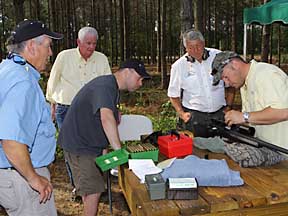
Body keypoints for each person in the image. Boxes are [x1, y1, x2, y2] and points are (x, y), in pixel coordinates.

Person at [57, 59, 150, 215]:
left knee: (94, 189)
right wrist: (119, 150)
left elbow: (102, 120)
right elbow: (106, 118)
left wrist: (104, 149)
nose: (140, 83)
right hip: (80, 146)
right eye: (140, 78)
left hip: (91, 144)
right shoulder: (105, 86)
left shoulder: (111, 88)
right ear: (127, 71)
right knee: (92, 191)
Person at [0, 19, 63, 215]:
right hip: (22, 179)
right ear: (32, 47)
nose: (51, 53)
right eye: (48, 46)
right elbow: (11, 140)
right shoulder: (23, 82)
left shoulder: (7, 69)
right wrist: (33, 178)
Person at [211, 51, 288, 150]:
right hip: (266, 148)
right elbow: (253, 118)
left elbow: (283, 112)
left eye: (226, 77)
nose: (227, 83)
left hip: (283, 153)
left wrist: (244, 116)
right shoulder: (245, 83)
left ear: (235, 64)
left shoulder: (265, 74)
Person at [167, 29, 235, 137]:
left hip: (220, 115)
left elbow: (231, 84)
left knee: (221, 149)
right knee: (196, 151)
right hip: (194, 118)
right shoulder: (179, 66)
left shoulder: (219, 57)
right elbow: (173, 95)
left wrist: (229, 106)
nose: (195, 50)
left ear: (204, 43)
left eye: (198, 46)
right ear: (185, 48)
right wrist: (182, 114)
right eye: (190, 48)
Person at [46, 26, 111, 129]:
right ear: (79, 42)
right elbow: (53, 80)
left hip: (92, 110)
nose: (91, 47)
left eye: (94, 43)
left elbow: (108, 86)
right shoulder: (64, 56)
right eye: (88, 43)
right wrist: (51, 103)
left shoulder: (102, 59)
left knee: (90, 143)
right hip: (66, 108)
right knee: (67, 143)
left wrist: (111, 108)